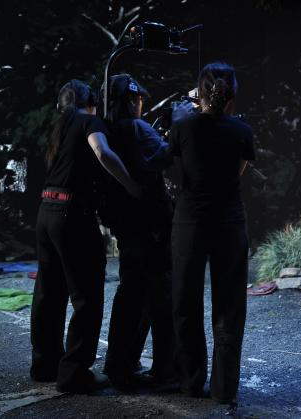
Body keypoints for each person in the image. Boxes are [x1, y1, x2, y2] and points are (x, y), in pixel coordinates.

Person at [30, 79, 140, 393]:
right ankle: (74, 372)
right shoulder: (88, 121)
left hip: (46, 211)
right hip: (72, 216)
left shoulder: (59, 129)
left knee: (49, 293)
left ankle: (44, 365)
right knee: (87, 296)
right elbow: (102, 152)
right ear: (89, 103)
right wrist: (131, 185)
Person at [169, 62, 255, 406]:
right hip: (229, 222)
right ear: (232, 94)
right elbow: (238, 171)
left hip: (190, 222)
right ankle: (224, 389)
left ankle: (191, 382)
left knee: (185, 303)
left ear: (199, 92)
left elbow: (174, 169)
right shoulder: (242, 130)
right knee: (229, 307)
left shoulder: (183, 126)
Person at [100, 74, 190, 389]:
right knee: (161, 296)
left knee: (130, 294)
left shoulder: (106, 131)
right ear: (130, 99)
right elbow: (164, 158)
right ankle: (167, 369)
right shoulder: (137, 128)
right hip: (150, 224)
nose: (141, 104)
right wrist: (179, 126)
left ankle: (119, 365)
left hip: (126, 223)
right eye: (139, 99)